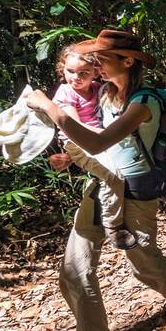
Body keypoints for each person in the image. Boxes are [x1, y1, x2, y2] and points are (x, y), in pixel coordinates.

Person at [27, 29, 166, 331]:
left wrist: (48, 106)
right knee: (74, 269)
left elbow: (98, 142)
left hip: (135, 197)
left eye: (102, 59)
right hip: (101, 189)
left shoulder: (144, 103)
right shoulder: (106, 94)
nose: (96, 65)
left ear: (127, 61)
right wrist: (68, 157)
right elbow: (102, 147)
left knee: (142, 262)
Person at [50, 44, 139, 250]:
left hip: (101, 142)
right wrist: (108, 135)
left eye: (84, 73)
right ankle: (113, 227)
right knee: (113, 175)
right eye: (70, 71)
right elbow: (73, 126)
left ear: (95, 72)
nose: (76, 77)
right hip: (80, 142)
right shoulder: (65, 93)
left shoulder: (99, 89)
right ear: (62, 69)